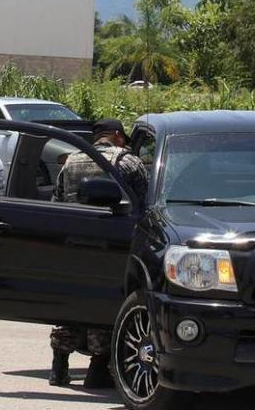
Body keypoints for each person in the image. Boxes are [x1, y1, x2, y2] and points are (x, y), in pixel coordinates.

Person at [48, 118, 148, 388]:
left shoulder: (71, 162)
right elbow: (144, 205)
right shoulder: (129, 162)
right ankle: (97, 370)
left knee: (68, 304)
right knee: (103, 305)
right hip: (109, 244)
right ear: (117, 136)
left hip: (72, 244)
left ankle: (59, 368)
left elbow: (57, 202)